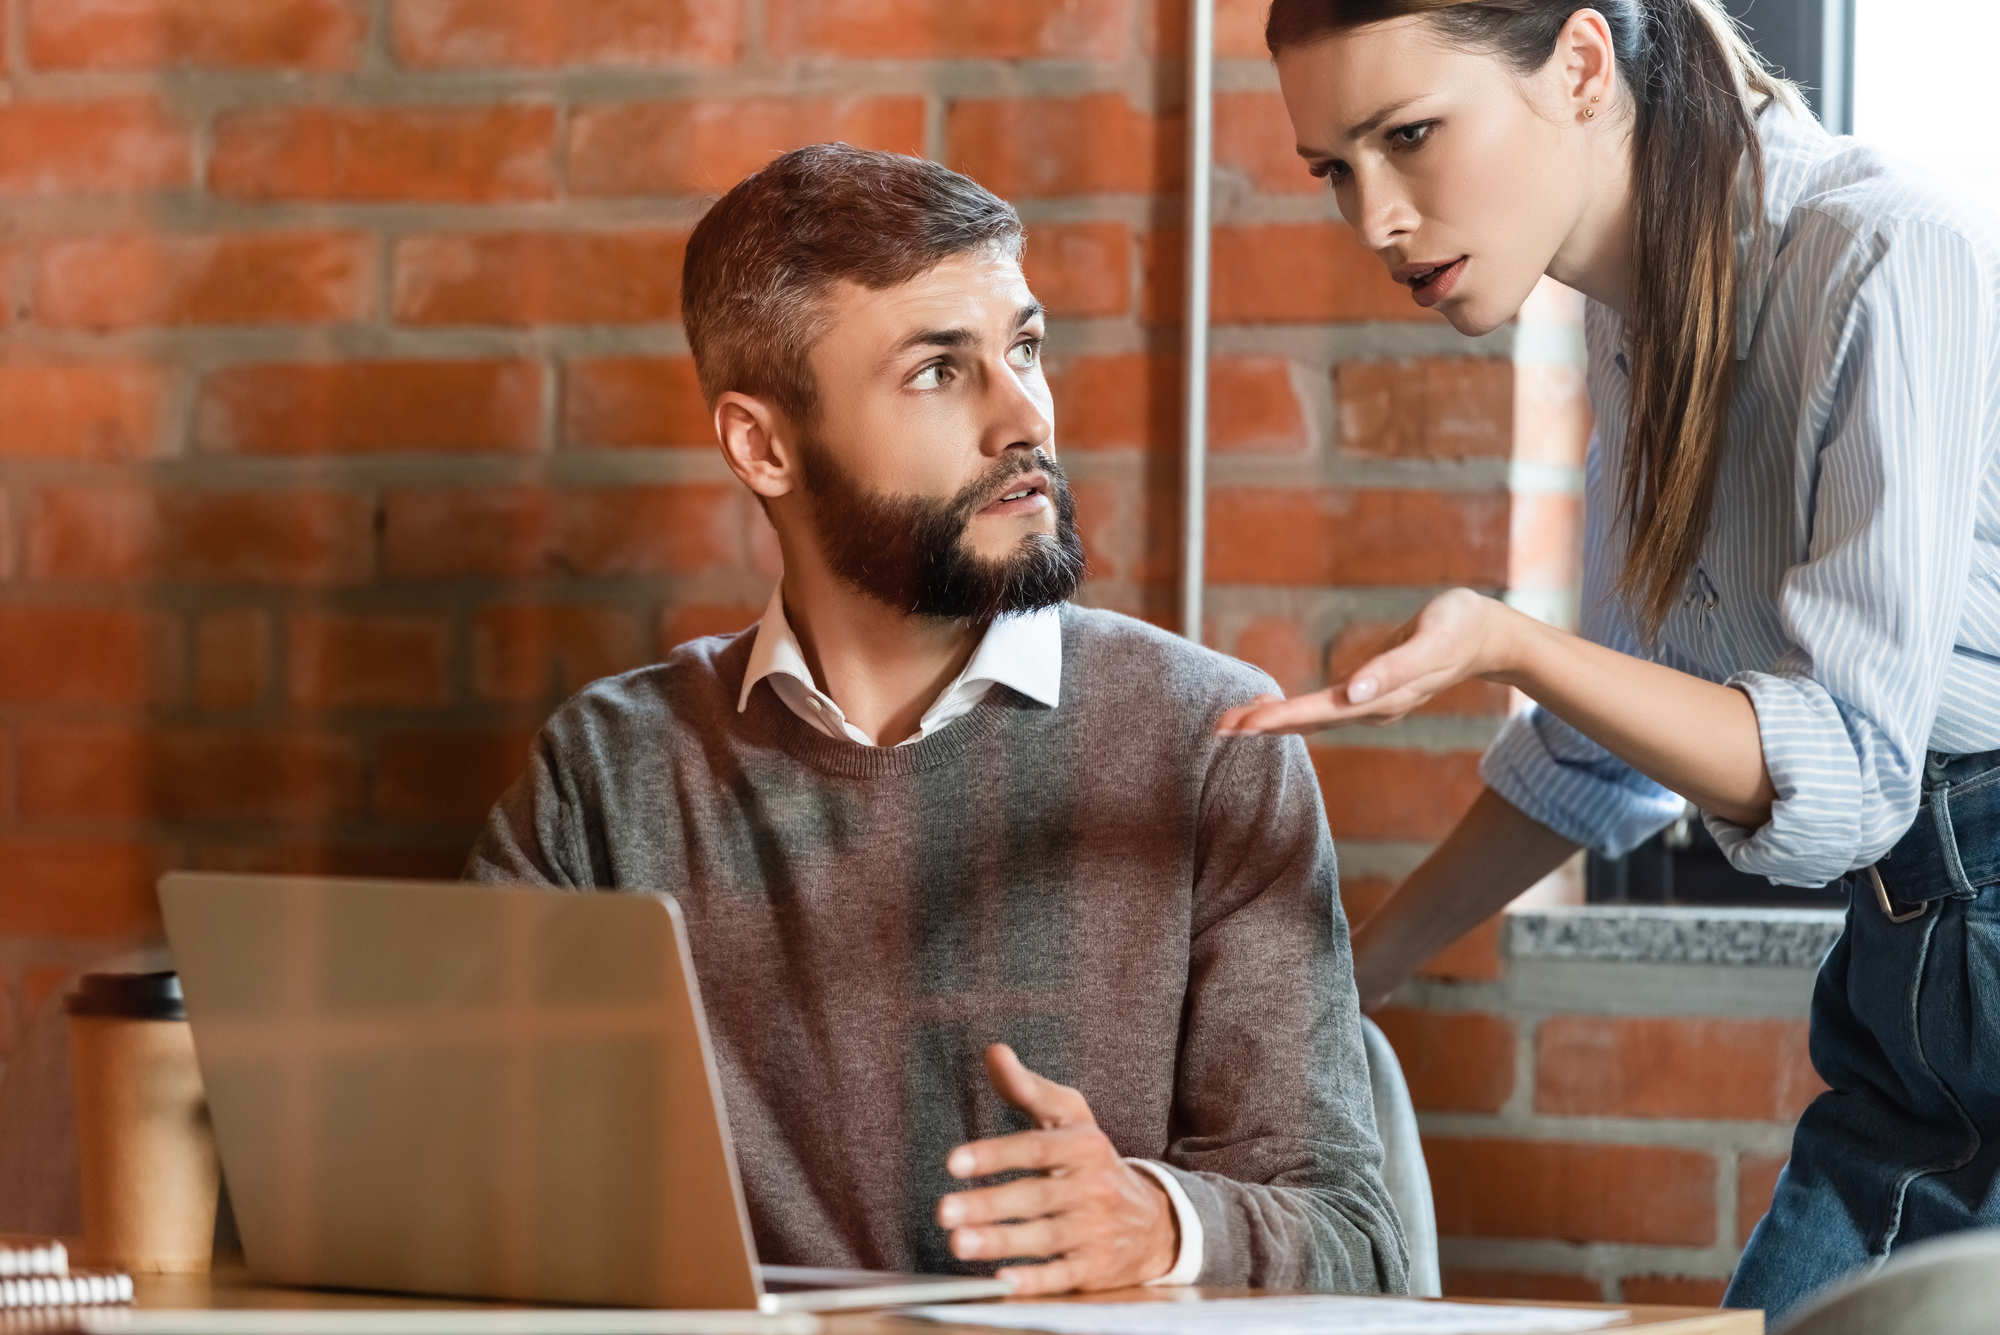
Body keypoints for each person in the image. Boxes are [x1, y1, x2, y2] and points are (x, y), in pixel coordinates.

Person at [466, 144, 1407, 1297]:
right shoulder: (608, 773)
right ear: (762, 446)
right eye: (936, 372)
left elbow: (1359, 1245)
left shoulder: (1210, 744)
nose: (1023, 418)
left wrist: (1161, 1227)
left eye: (1022, 348)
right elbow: (469, 1187)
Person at [1217, 0, 2000, 1321]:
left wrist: (1513, 641)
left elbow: (1848, 773)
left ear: (1580, 67)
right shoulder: (1631, 307)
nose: (1375, 219)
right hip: (1916, 957)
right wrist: (1350, 981)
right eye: (1336, 168)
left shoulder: (1882, 248)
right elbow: (1601, 758)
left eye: (1410, 135)